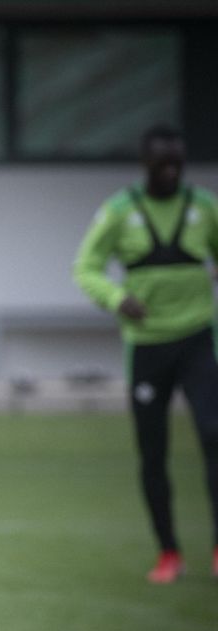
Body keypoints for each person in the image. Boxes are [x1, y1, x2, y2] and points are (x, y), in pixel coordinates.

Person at [76, 123, 218, 584]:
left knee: (214, 435)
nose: (172, 172)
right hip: (148, 346)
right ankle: (168, 552)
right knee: (152, 451)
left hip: (199, 338)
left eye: (178, 163)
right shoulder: (120, 211)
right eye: (163, 164)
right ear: (146, 165)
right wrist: (117, 299)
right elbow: (86, 267)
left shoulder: (203, 207)